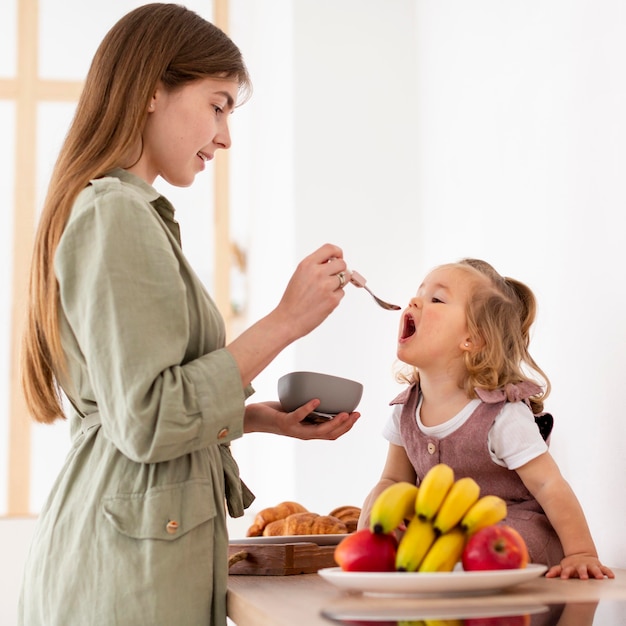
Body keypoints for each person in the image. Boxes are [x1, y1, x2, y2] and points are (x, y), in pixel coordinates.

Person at [17, 4, 359, 625]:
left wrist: (253, 419)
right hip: (123, 578)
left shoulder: (127, 213)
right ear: (153, 91)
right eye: (218, 104)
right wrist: (285, 320)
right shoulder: (114, 214)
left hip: (127, 561)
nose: (225, 136)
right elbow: (148, 421)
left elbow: (144, 410)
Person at [358, 258, 614, 580]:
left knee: (500, 543)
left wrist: (581, 553)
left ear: (472, 340)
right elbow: (395, 479)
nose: (414, 301)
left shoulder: (502, 415)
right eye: (419, 293)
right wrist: (376, 513)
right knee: (405, 544)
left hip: (511, 533)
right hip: (444, 534)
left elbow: (550, 485)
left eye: (436, 299)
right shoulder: (405, 409)